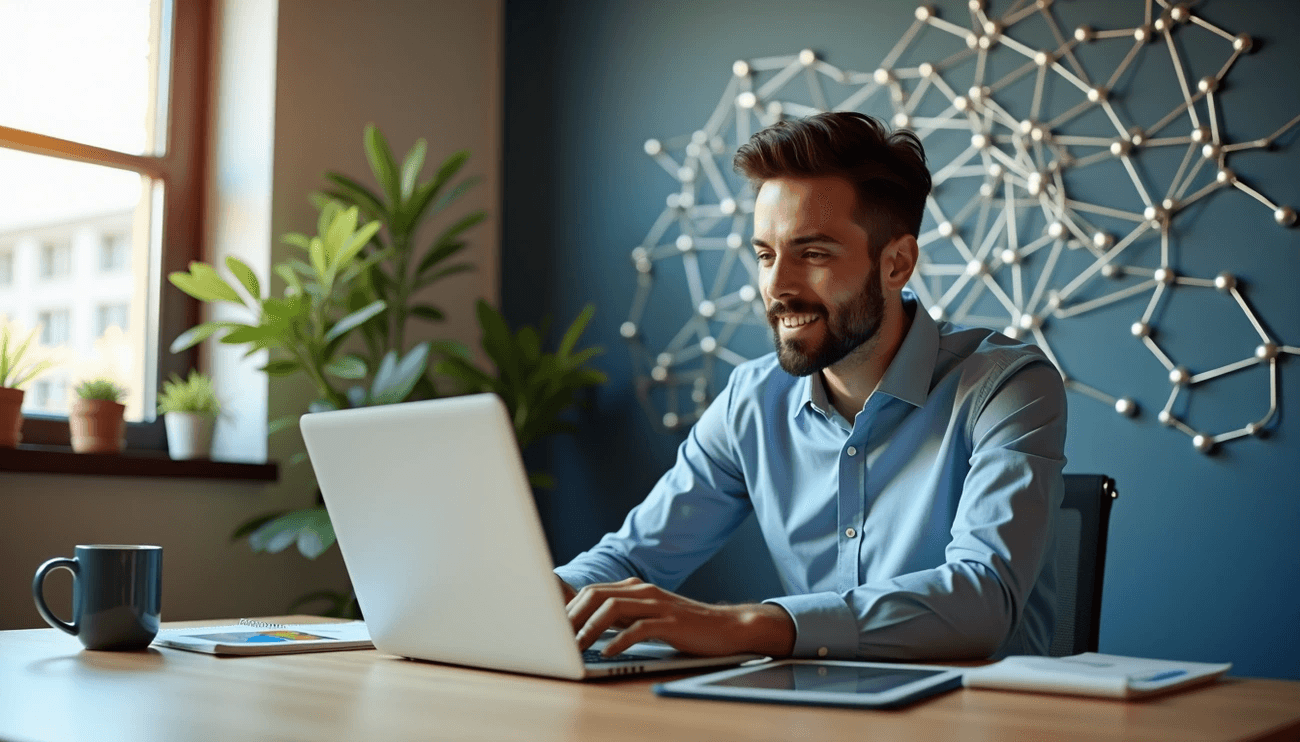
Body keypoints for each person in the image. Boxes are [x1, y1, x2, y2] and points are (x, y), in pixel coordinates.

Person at [557, 111, 1067, 662]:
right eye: (766, 255)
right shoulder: (749, 403)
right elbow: (630, 561)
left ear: (896, 264)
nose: (777, 287)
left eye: (813, 254)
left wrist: (745, 624)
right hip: (812, 708)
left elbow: (982, 600)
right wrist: (526, 603)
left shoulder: (1006, 386)